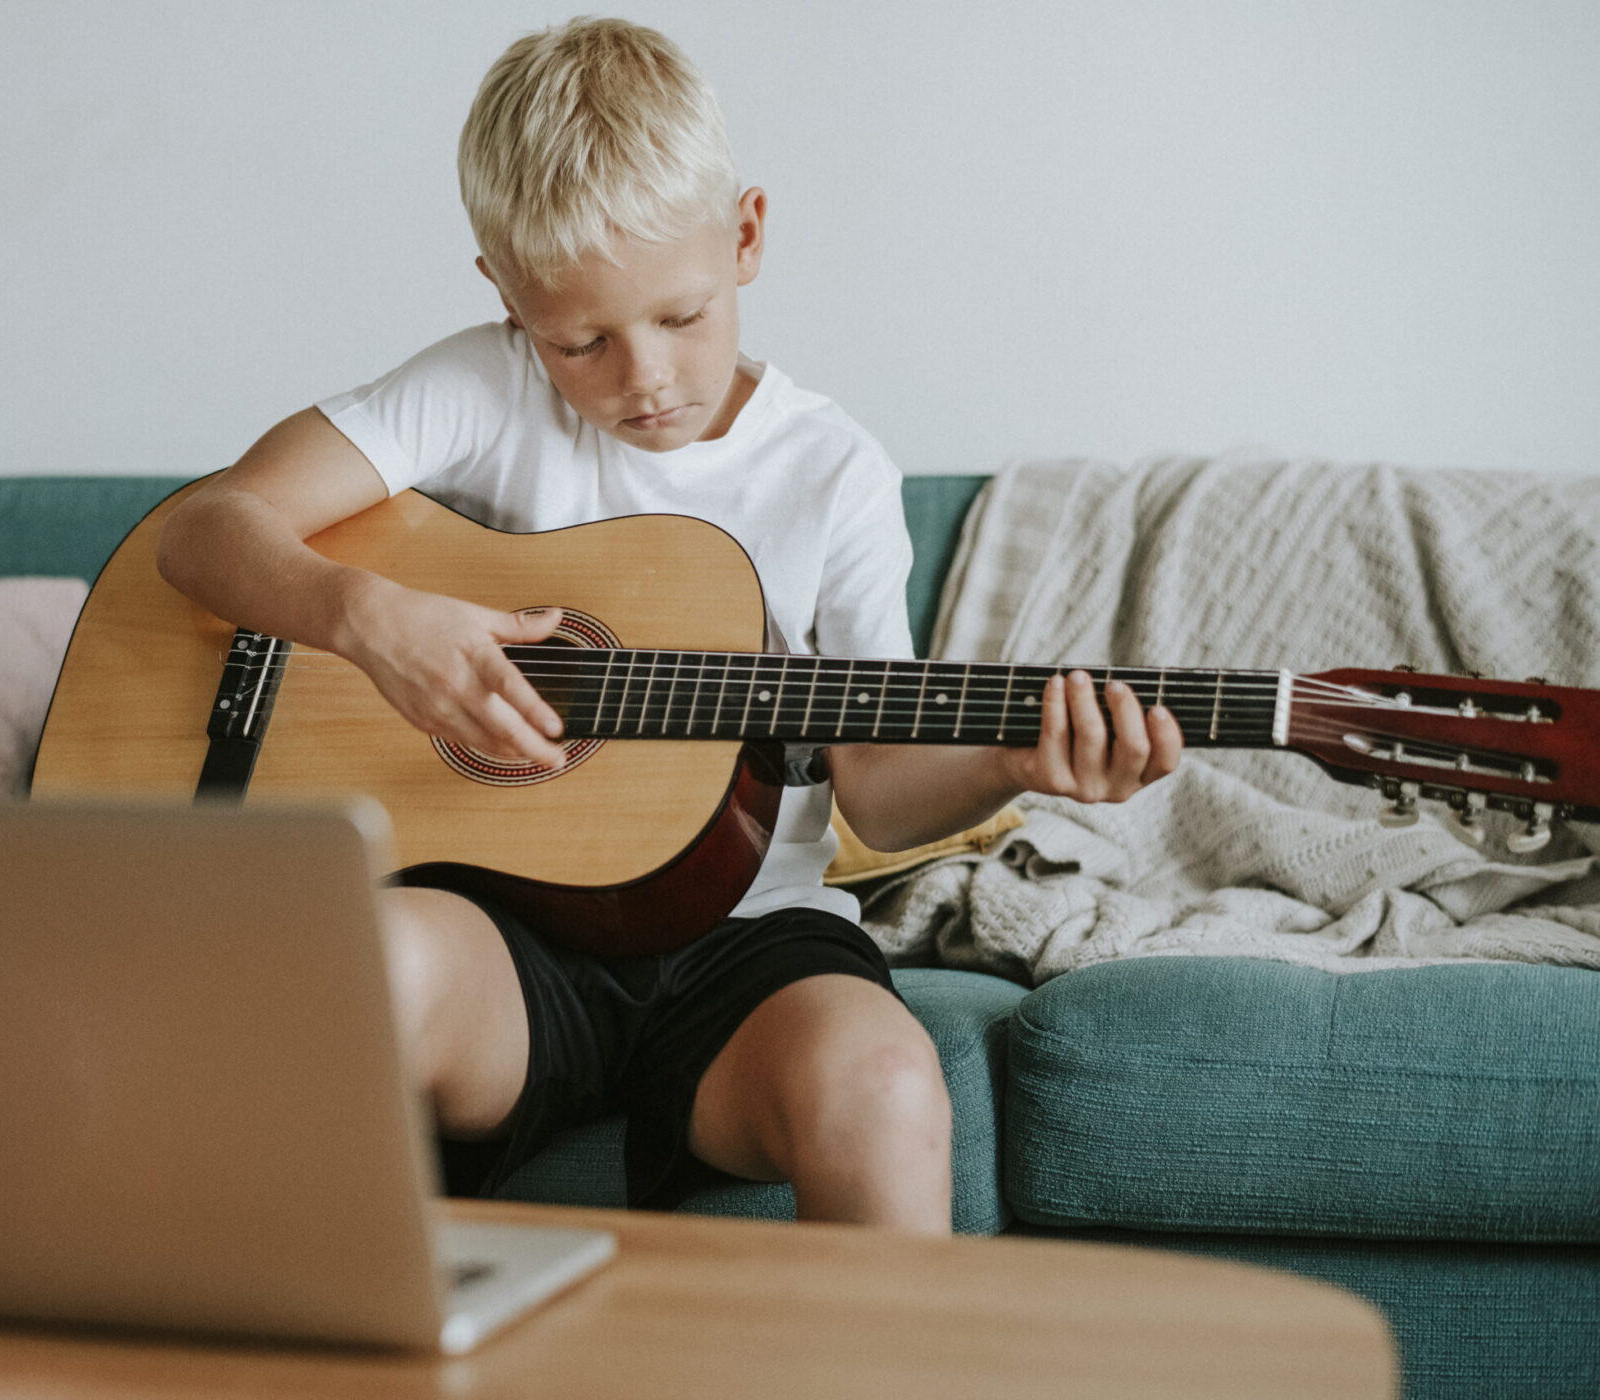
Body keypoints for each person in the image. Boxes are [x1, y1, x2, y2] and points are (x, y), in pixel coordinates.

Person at [157, 17, 1182, 1235]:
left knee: (886, 1086)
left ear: (746, 236)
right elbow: (205, 528)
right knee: (358, 964)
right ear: (504, 292)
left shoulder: (830, 472)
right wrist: (371, 618)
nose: (640, 377)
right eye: (580, 340)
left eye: (681, 317)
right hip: (504, 929)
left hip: (749, 941)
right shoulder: (483, 388)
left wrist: (1016, 759)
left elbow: (877, 793)